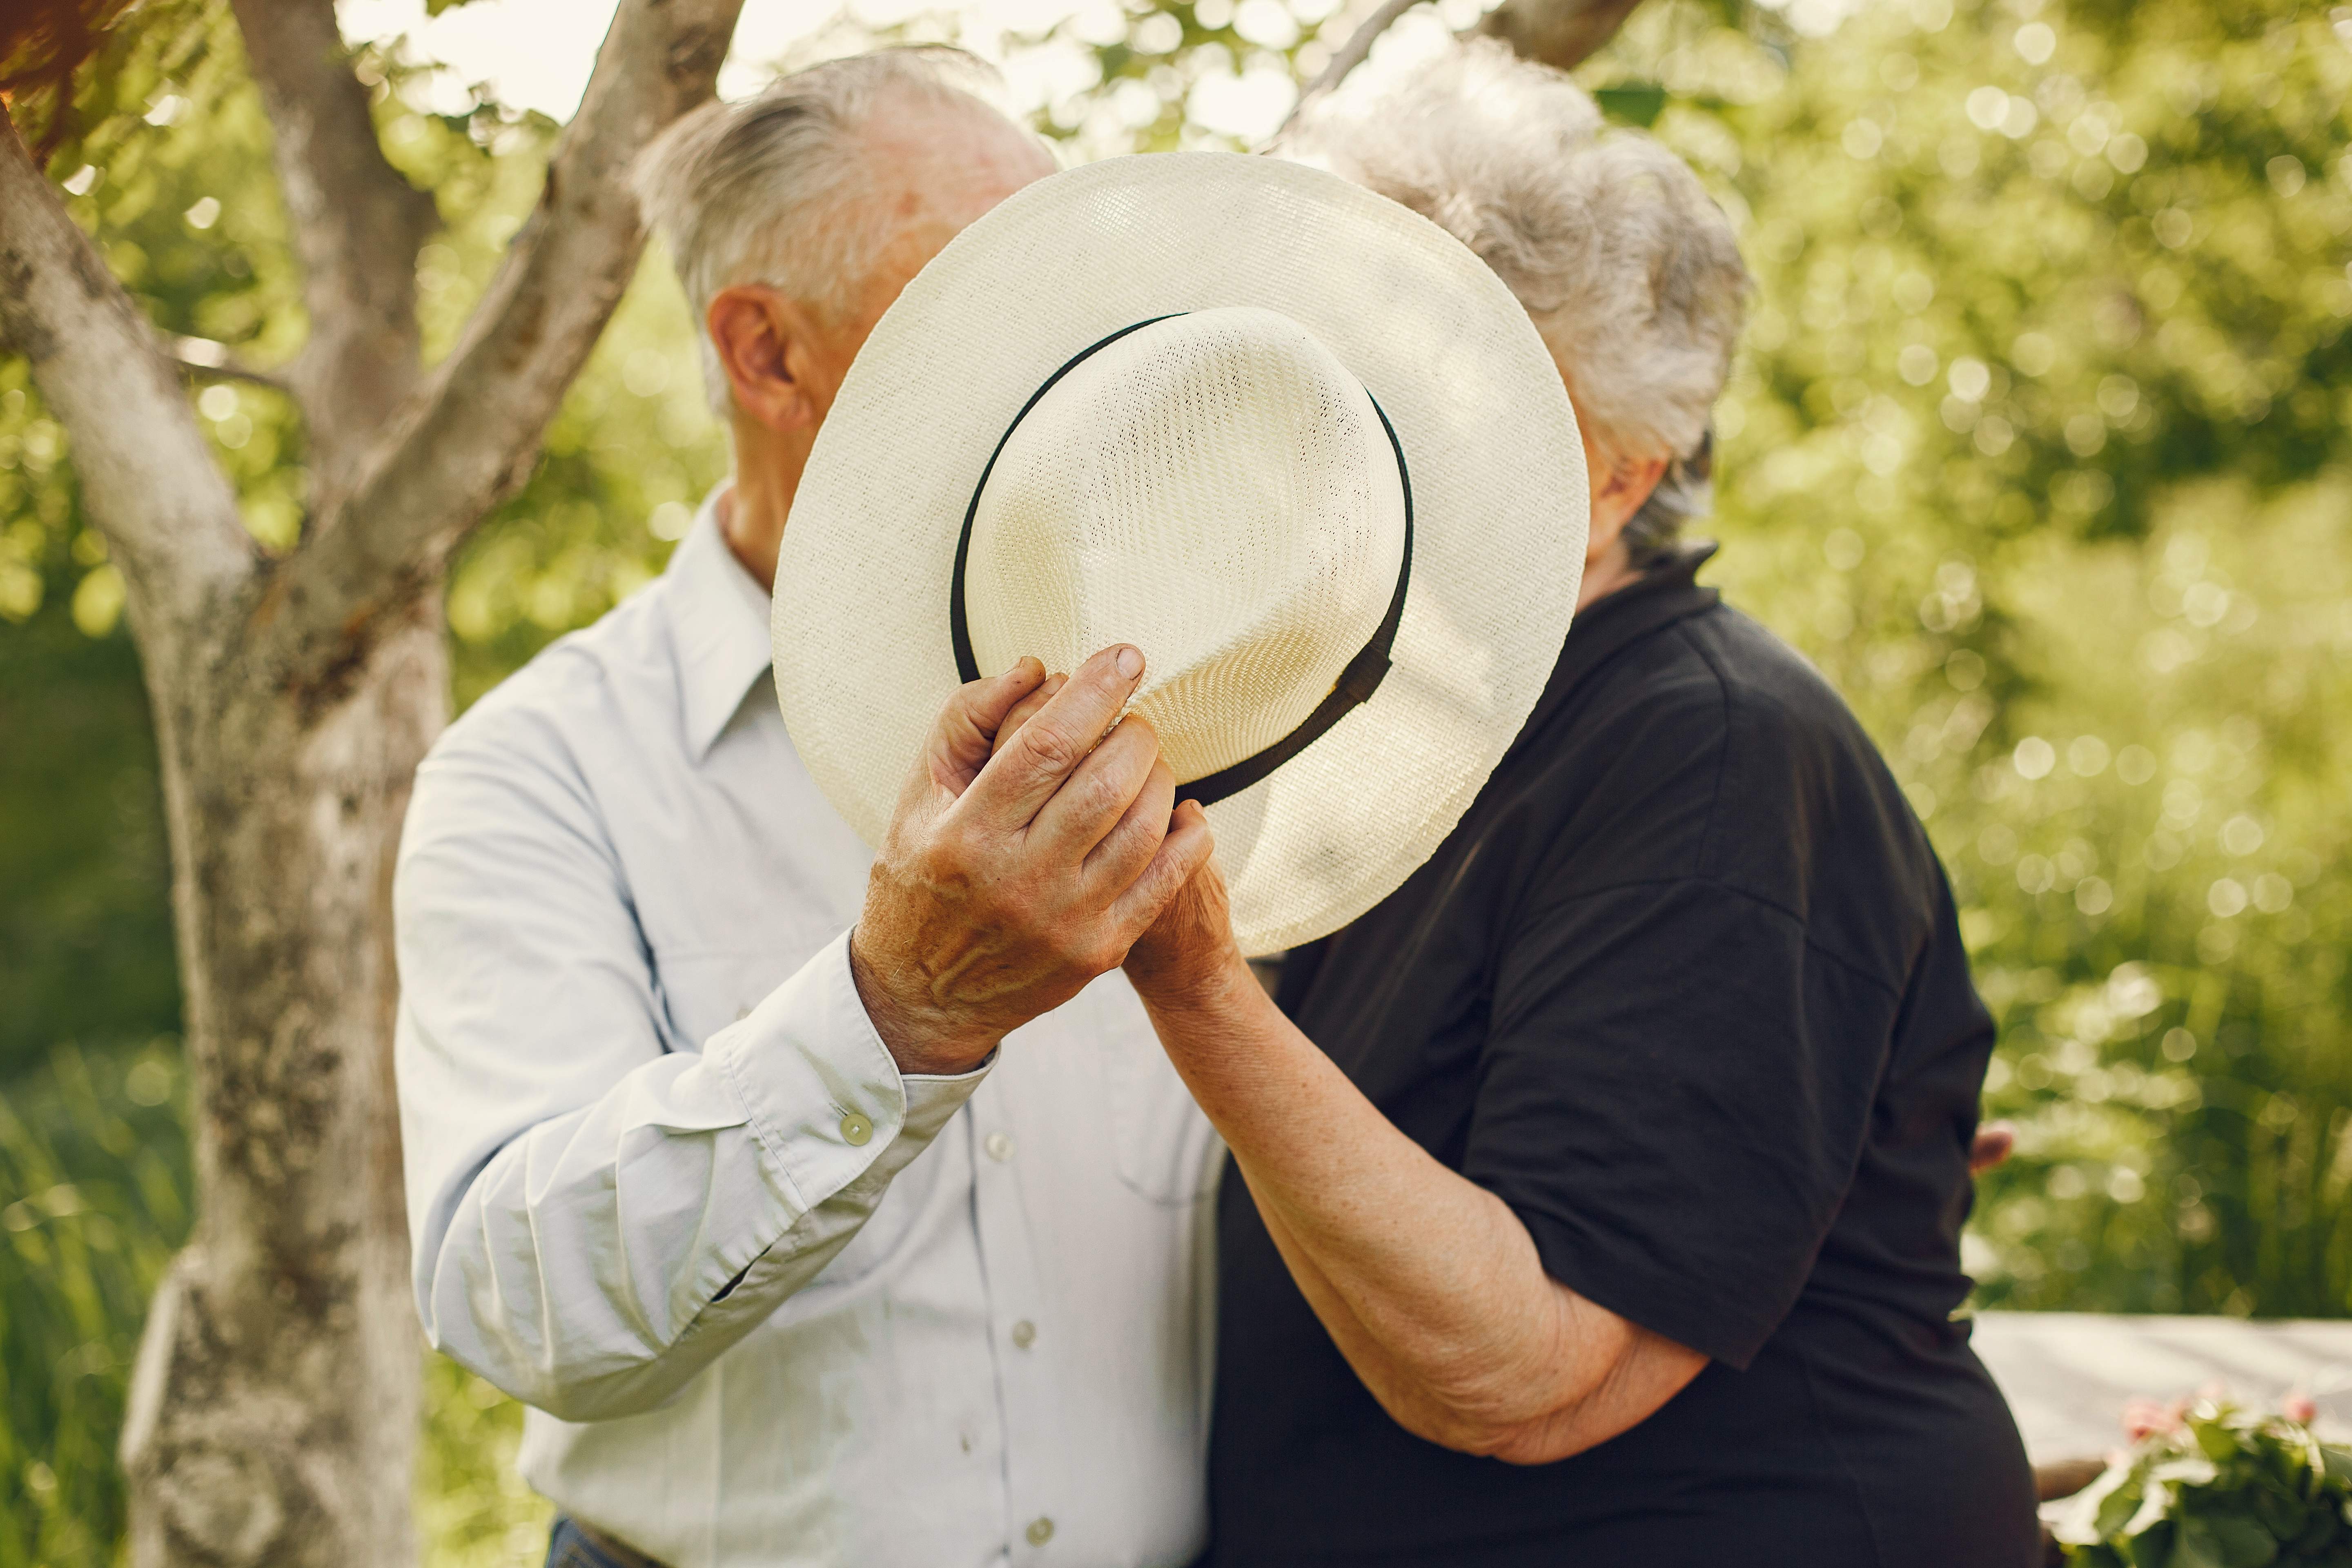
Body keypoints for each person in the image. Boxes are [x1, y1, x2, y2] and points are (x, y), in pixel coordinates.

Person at [1100, 44, 2042, 1566]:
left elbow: (1530, 1376)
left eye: (1462, 400)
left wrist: (1196, 980)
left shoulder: (1707, 754)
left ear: (1624, 473)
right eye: (1352, 372)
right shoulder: (1398, 720)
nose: (1371, 443)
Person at [393, 52, 1226, 1568]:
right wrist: (886, 1013)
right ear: (769, 353)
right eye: (989, 301)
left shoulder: (1196, 702)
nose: (1072, 364)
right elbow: (520, 1307)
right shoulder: (537, 772)